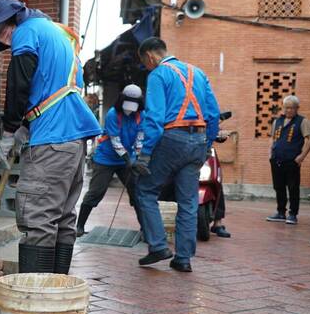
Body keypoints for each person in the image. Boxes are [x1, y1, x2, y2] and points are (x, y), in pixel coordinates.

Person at [0, 0, 101, 274]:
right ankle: (54, 293)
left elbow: (18, 84)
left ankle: (32, 301)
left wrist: (9, 130)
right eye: (0, 37)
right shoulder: (58, 35)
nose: (5, 41)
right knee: (61, 217)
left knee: (38, 216)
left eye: (2, 31)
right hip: (73, 140)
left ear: (12, 21)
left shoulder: (26, 32)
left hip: (52, 140)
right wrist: (26, 124)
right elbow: (57, 87)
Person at [132, 37, 221, 273]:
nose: (147, 67)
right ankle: (183, 258)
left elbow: (154, 118)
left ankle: (158, 246)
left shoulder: (158, 75)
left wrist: (145, 154)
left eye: (145, 63)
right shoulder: (199, 73)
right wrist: (206, 145)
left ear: (150, 56)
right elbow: (213, 114)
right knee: (188, 201)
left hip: (172, 139)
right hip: (198, 140)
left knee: (145, 190)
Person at [76, 85, 145, 236]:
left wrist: (137, 158)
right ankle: (79, 226)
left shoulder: (141, 115)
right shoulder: (113, 114)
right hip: (106, 159)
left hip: (127, 160)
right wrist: (128, 158)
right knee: (96, 192)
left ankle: (145, 228)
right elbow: (115, 141)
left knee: (137, 193)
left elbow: (140, 139)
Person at [266, 95, 310, 225]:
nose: (288, 110)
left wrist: (302, 156)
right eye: (286, 107)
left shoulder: (302, 121)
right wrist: (270, 151)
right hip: (276, 159)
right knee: (278, 187)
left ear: (297, 108)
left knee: (293, 188)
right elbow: (271, 137)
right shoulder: (277, 121)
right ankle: (281, 212)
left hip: (292, 161)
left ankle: (293, 214)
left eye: (291, 108)